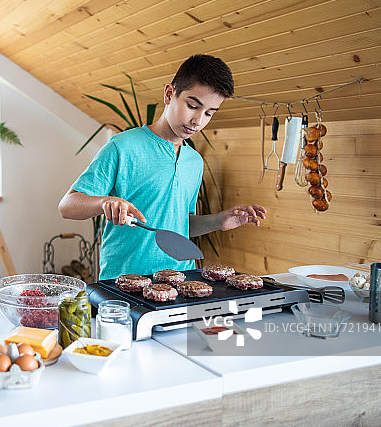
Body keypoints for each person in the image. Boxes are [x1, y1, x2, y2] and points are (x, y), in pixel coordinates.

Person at [59, 54, 266, 280]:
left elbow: (180, 224)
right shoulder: (123, 146)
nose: (198, 120)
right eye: (192, 106)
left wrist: (218, 221)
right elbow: (67, 206)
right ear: (169, 94)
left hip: (179, 283)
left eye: (208, 113)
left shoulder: (194, 161)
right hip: (122, 283)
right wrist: (104, 202)